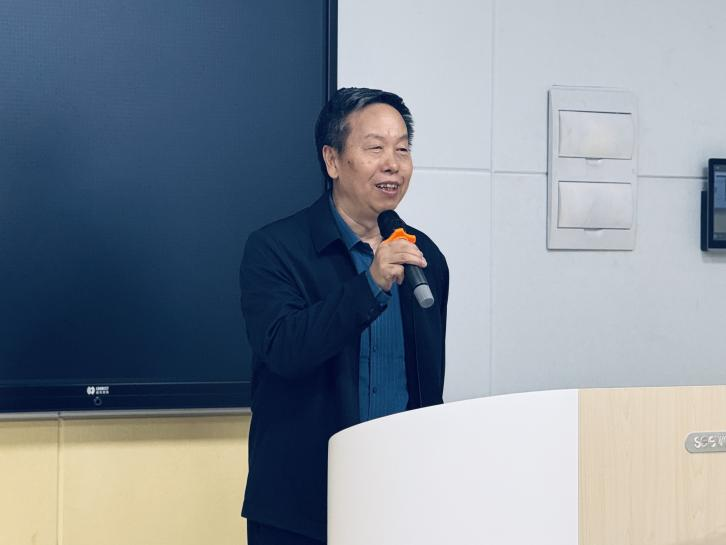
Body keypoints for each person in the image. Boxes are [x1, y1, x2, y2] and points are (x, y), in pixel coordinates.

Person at [239, 87, 449, 545]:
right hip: (301, 510)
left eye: (402, 149)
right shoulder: (275, 249)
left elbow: (427, 384)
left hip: (399, 500)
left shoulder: (424, 257)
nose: (392, 164)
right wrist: (370, 283)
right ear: (332, 160)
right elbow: (285, 350)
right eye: (375, 148)